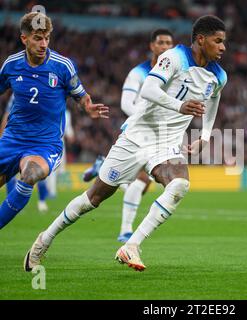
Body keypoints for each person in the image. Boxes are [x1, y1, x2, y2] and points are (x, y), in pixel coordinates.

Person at [24, 15, 227, 272]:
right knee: (93, 198)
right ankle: (45, 239)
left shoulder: (218, 76)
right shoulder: (174, 58)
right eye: (218, 41)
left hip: (166, 143)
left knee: (179, 185)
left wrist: (206, 136)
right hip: (136, 136)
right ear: (201, 39)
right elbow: (149, 90)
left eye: (224, 42)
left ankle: (132, 245)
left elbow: (213, 101)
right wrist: (180, 106)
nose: (223, 47)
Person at [0, 12, 109, 229]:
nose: (43, 44)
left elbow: (81, 95)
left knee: (30, 174)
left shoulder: (62, 66)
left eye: (47, 38)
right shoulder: (11, 65)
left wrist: (88, 107)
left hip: (45, 143)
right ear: (24, 39)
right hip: (12, 139)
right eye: (37, 38)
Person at [83, 29, 174, 242]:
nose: (165, 47)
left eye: (169, 43)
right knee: (142, 181)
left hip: (160, 135)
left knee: (142, 184)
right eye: (161, 42)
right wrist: (150, 121)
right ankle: (125, 230)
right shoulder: (138, 73)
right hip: (139, 132)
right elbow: (126, 104)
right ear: (152, 46)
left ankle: (103, 167)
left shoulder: (175, 73)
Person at [1, 94, 50, 212]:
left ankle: (42, 200)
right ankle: (12, 202)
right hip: (17, 140)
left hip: (39, 142)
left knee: (35, 172)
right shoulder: (17, 95)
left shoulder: (47, 93)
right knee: (8, 175)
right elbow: (7, 116)